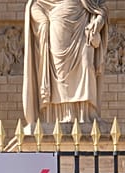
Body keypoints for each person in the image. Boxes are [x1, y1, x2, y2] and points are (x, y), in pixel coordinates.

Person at [23, 0, 108, 129]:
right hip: (57, 24)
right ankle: (61, 115)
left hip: (83, 23)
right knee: (60, 73)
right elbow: (36, 4)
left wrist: (99, 21)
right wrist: (42, 20)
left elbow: (101, 6)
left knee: (86, 66)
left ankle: (87, 114)